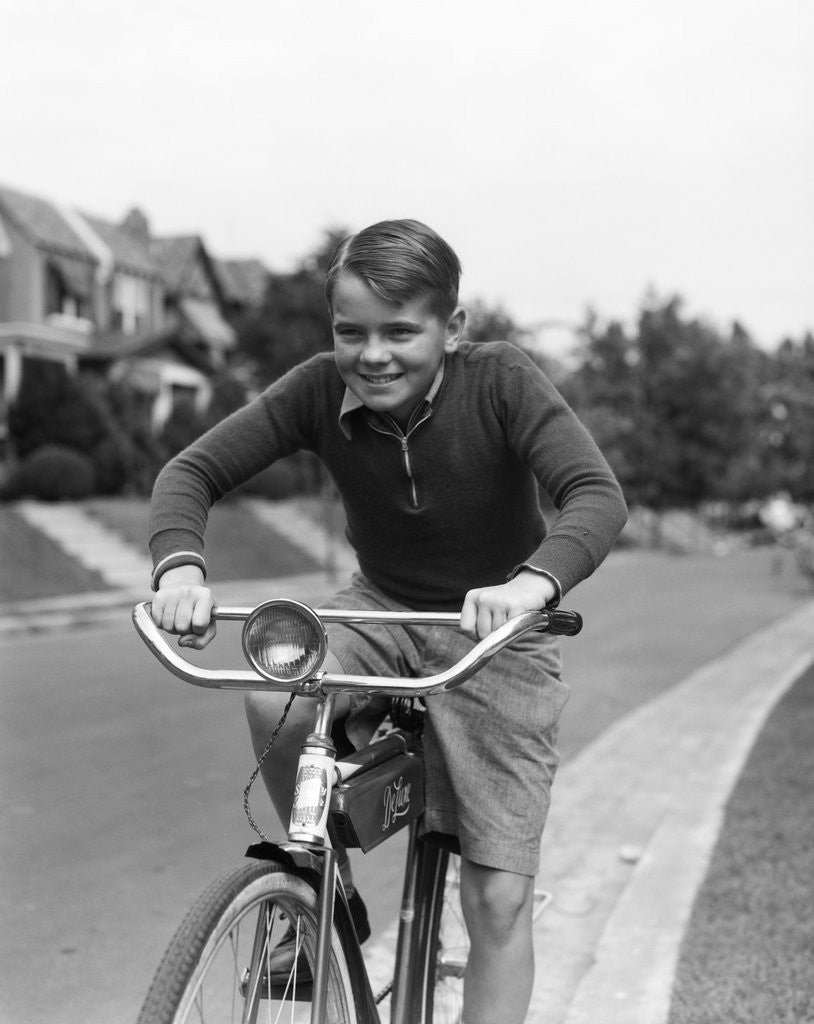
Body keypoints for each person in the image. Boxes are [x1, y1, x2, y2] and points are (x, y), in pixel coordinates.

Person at [148, 219, 627, 1024]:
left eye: (402, 331)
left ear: (453, 329)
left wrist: (530, 585)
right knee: (275, 695)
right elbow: (190, 472)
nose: (374, 355)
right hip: (382, 606)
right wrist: (181, 568)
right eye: (351, 332)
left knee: (498, 897)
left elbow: (597, 497)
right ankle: (321, 887)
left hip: (497, 628)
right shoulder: (312, 390)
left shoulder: (502, 380)